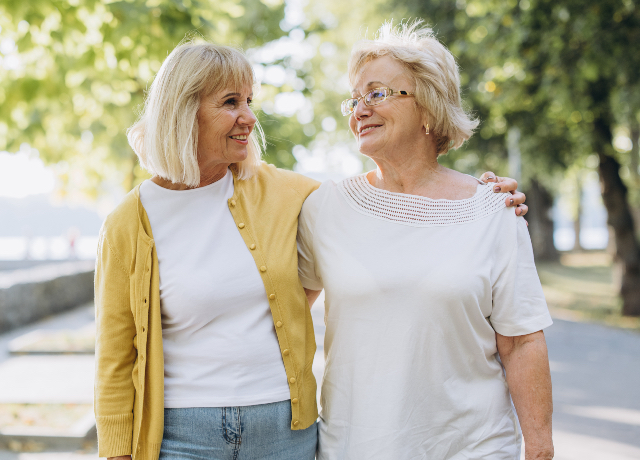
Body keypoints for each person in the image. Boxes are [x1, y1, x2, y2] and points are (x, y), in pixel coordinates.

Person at [94, 40, 526, 460]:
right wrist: (117, 453)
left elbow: (388, 196)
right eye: (230, 102)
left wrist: (480, 194)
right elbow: (115, 357)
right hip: (183, 434)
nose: (248, 117)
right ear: (184, 111)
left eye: (248, 100)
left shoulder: (289, 194)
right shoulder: (128, 224)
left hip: (285, 431)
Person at [298, 21, 554, 460]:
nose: (359, 109)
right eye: (356, 98)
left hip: (473, 448)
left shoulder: (493, 210)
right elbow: (282, 314)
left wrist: (540, 450)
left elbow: (522, 342)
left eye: (377, 94)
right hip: (355, 448)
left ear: (430, 110)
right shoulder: (324, 208)